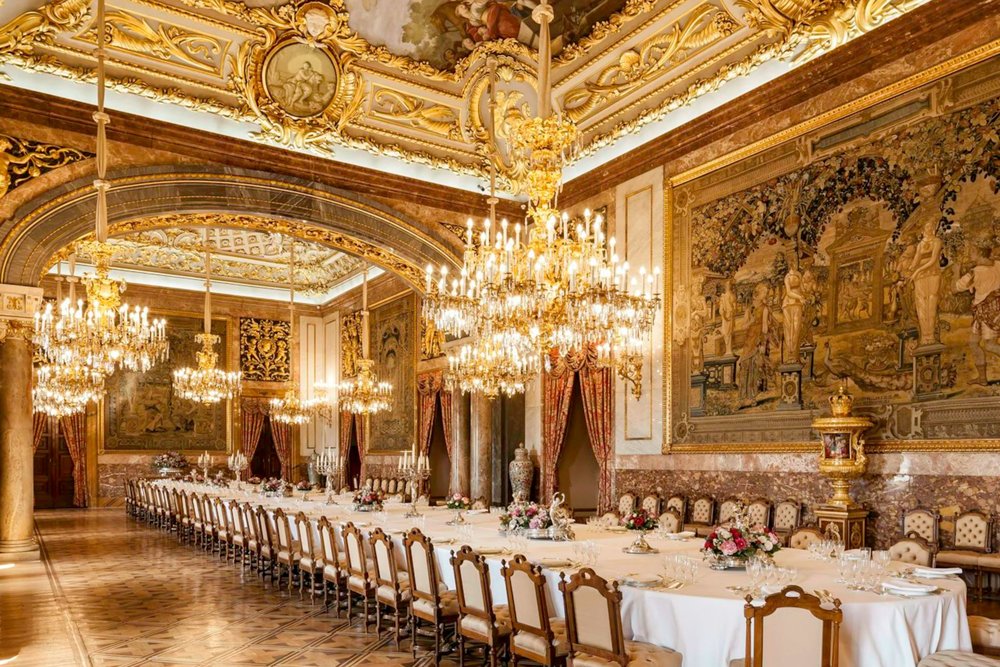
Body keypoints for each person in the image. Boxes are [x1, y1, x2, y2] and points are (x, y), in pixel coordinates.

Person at [955, 244, 1000, 385]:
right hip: (986, 311)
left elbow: (954, 289)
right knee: (973, 343)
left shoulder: (974, 273)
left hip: (988, 312)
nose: (970, 255)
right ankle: (982, 379)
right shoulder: (998, 264)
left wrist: (956, 271)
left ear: (980, 253)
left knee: (990, 345)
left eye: (972, 252)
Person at [907, 220, 944, 346]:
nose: (929, 228)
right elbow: (916, 260)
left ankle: (931, 335)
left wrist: (917, 271)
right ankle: (925, 335)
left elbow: (933, 260)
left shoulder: (937, 241)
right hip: (920, 276)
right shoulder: (920, 245)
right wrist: (910, 268)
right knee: (921, 303)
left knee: (931, 301)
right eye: (927, 226)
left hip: (932, 273)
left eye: (931, 226)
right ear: (923, 229)